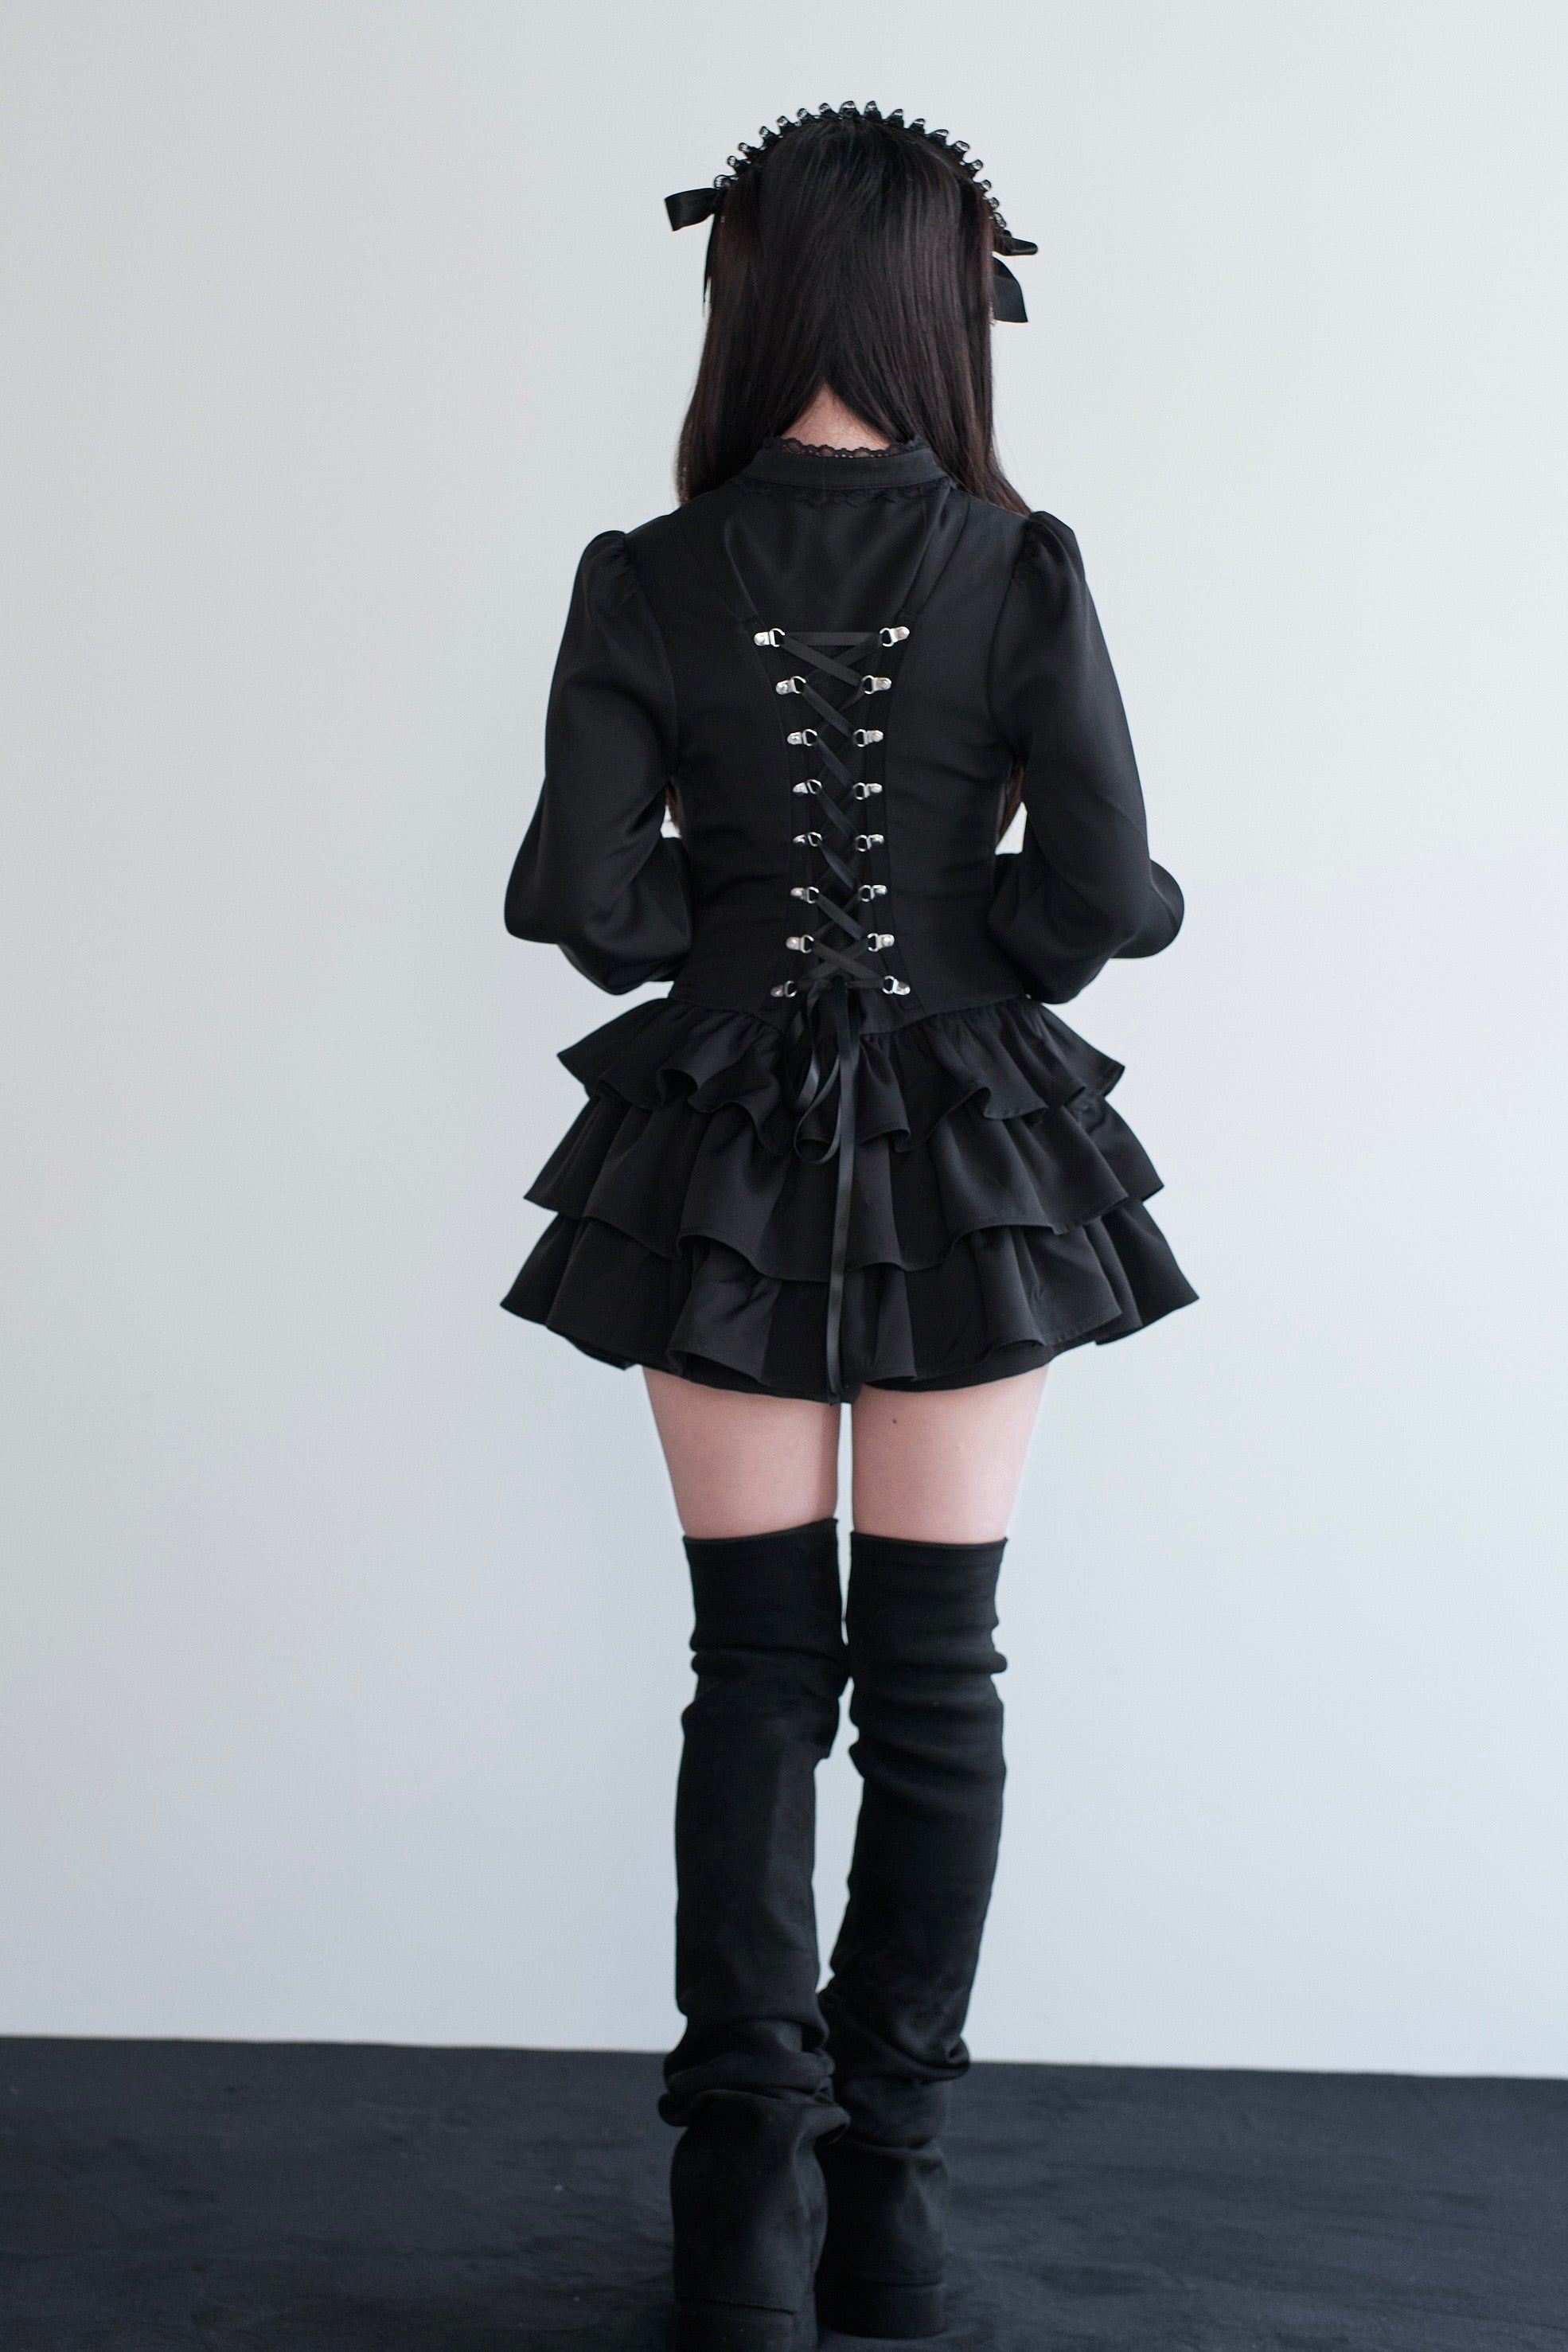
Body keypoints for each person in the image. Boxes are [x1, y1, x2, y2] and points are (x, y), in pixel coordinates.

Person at [501, 100, 1194, 2352]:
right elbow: (1103, 891)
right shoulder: (1019, 563)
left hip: (718, 1141)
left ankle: (744, 2226)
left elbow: (580, 897)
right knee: (936, 1678)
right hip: (966, 1145)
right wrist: (981, 941)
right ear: (940, 301)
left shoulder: (646, 571)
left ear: (750, 287)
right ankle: (883, 2208)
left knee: (754, 1672)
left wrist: (732, 942)